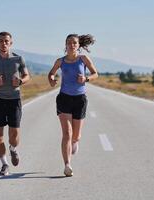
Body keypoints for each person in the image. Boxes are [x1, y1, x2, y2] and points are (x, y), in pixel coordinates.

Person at [48, 34, 98, 177]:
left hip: (80, 100)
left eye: (74, 43)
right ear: (66, 45)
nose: (72, 45)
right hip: (64, 98)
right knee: (67, 134)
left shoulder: (83, 59)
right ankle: (67, 165)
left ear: (78, 45)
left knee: (76, 136)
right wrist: (51, 79)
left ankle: (74, 143)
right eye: (69, 43)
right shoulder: (60, 61)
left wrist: (86, 78)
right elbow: (51, 73)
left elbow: (96, 74)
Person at [0, 31, 30, 176]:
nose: (4, 44)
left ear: (11, 43)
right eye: (1, 41)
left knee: (14, 134)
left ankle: (13, 149)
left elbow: (27, 76)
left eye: (6, 41)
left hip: (14, 100)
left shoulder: (18, 59)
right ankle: (4, 164)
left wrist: (20, 81)